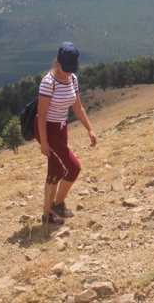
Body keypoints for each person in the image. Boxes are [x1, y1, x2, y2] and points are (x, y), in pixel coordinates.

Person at [36, 42, 97, 224]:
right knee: (73, 167)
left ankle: (47, 216)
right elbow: (41, 116)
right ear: (58, 62)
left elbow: (77, 106)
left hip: (62, 128)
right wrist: (44, 142)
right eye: (66, 67)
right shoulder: (48, 83)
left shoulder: (72, 79)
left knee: (54, 171)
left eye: (72, 68)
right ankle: (58, 204)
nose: (69, 71)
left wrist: (90, 129)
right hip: (47, 129)